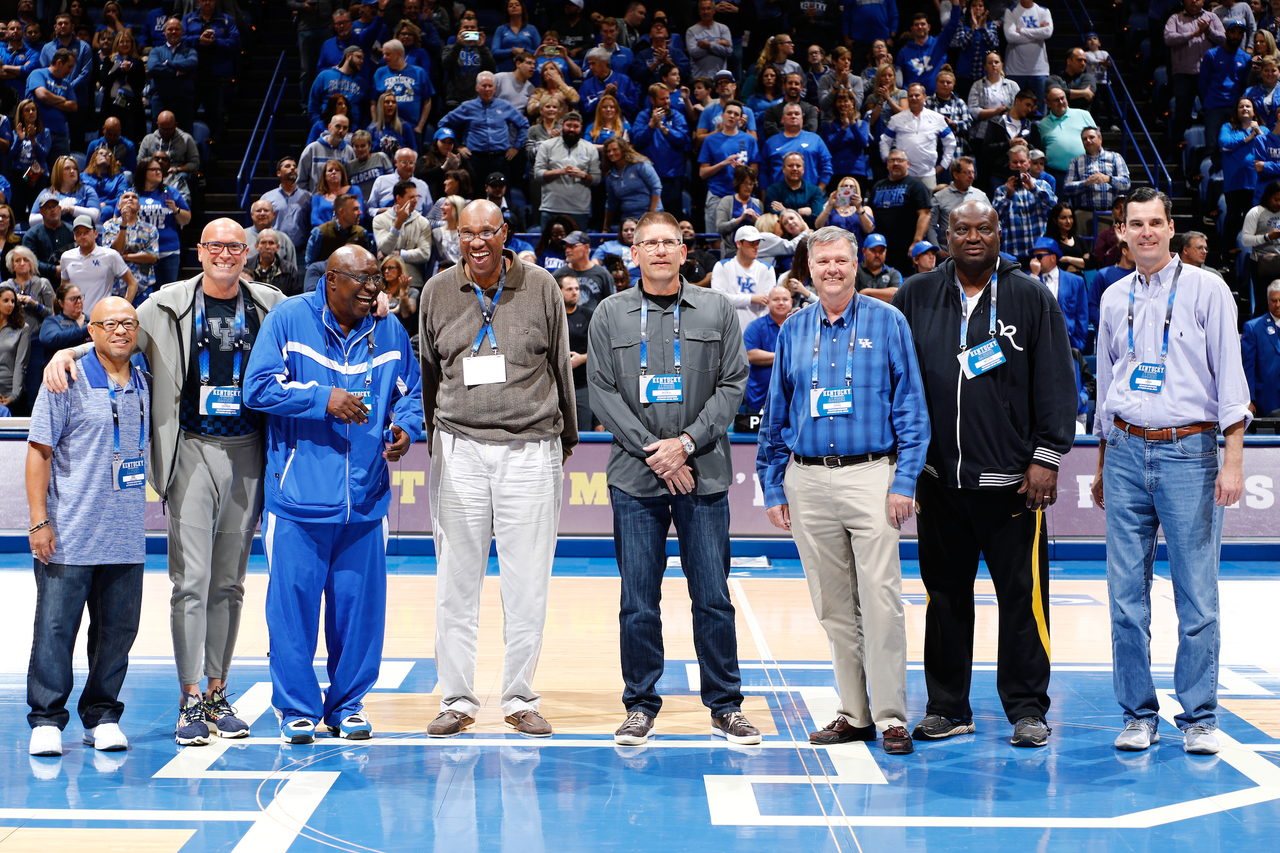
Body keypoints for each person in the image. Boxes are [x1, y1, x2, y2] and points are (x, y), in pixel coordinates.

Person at [42, 218, 288, 747]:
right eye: (215, 245)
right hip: (191, 452)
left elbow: (317, 321)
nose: (225, 253)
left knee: (230, 583)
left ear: (246, 253)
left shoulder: (270, 303)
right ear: (200, 251)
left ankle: (219, 694)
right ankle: (190, 698)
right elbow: (115, 332)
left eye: (234, 246)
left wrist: (380, 306)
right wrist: (70, 351)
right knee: (191, 581)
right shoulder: (166, 302)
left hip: (249, 452)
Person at [892, 199, 1077, 749]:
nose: (973, 237)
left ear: (1000, 234)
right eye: (962, 229)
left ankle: (1027, 708)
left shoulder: (1030, 296)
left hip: (1013, 485)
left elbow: (1056, 382)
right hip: (937, 481)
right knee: (944, 596)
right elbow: (900, 386)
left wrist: (1047, 457)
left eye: (984, 229)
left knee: (1024, 598)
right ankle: (948, 707)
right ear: (945, 235)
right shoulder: (916, 295)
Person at [586, 210, 757, 747]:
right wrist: (653, 451)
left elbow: (733, 384)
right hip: (636, 480)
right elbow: (602, 391)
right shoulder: (609, 314)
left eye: (669, 242)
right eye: (648, 243)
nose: (659, 251)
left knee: (712, 596)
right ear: (633, 253)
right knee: (638, 600)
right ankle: (640, 704)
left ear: (686, 251)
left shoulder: (716, 310)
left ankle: (725, 705)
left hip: (702, 476)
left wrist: (683, 445)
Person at [1091, 187, 1252, 755]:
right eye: (1136, 224)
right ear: (1123, 230)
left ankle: (1200, 717)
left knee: (1196, 595)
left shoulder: (1209, 289)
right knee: (1124, 597)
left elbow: (1231, 381)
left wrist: (1232, 461)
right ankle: (1138, 714)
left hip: (1191, 452)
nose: (1147, 233)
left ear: (1170, 228)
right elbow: (1107, 383)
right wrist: (1104, 461)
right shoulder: (1113, 297)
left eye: (1156, 223)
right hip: (1126, 451)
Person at [757, 224, 928, 755]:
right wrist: (773, 484)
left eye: (841, 261)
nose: (832, 269)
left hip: (872, 474)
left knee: (880, 600)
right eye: (822, 261)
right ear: (808, 267)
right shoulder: (793, 330)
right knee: (833, 605)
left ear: (857, 266)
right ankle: (855, 714)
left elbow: (911, 409)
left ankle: (892, 715)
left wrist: (904, 480)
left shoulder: (889, 321)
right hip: (806, 478)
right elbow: (777, 414)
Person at [243, 243, 422, 744]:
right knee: (291, 612)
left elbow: (411, 394)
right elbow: (256, 389)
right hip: (298, 500)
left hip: (365, 500)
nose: (373, 290)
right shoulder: (287, 320)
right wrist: (324, 399)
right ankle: (296, 708)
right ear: (332, 280)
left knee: (359, 613)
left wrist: (405, 429)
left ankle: (348, 705)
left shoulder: (388, 329)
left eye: (378, 281)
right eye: (363, 280)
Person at [418, 200, 576, 738]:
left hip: (531, 448)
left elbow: (560, 364)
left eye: (488, 232)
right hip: (457, 446)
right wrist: (434, 437)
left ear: (505, 233)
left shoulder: (541, 287)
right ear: (455, 235)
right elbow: (427, 373)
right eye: (467, 233)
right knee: (454, 582)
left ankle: (518, 699)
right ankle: (457, 700)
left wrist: (566, 439)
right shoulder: (437, 290)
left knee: (527, 582)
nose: (478, 242)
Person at [25, 295, 148, 757]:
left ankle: (102, 715)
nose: (120, 330)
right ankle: (46, 719)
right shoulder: (65, 379)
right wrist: (39, 521)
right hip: (70, 532)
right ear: (90, 330)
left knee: (118, 632)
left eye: (128, 323)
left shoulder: (144, 380)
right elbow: (38, 452)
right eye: (109, 323)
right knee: (56, 629)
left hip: (125, 536)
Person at [180, 0, 240, 141]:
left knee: (215, 117)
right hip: (193, 76)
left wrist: (216, 42)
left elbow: (236, 41)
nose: (207, 2)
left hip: (216, 77)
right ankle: (188, 148)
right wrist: (198, 40)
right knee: (188, 116)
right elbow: (180, 40)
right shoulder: (188, 19)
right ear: (198, 1)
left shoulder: (226, 19)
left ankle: (213, 151)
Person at [880, 83, 956, 191]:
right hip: (903, 174)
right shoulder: (896, 119)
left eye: (917, 95)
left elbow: (950, 142)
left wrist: (943, 165)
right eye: (910, 96)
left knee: (928, 206)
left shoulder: (937, 118)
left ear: (924, 97)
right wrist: (888, 160)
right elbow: (885, 141)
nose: (913, 98)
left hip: (928, 174)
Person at [698, 100, 759, 234]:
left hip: (742, 196)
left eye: (736, 114)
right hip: (717, 194)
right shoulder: (710, 140)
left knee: (745, 238)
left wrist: (744, 170)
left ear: (740, 118)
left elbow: (755, 171)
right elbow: (702, 173)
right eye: (729, 112)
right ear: (722, 115)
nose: (732, 116)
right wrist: (722, 164)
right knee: (715, 239)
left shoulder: (749, 140)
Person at [632, 82, 690, 221]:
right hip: (649, 176)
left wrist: (662, 128)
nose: (667, 102)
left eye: (668, 98)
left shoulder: (676, 116)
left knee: (671, 217)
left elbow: (683, 140)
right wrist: (652, 125)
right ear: (652, 100)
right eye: (662, 99)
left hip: (672, 174)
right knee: (652, 217)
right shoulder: (643, 117)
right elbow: (637, 140)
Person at [533, 110, 599, 230]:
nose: (572, 129)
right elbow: (537, 174)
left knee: (578, 247)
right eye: (568, 125)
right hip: (551, 208)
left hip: (579, 211)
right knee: (547, 246)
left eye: (576, 126)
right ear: (562, 125)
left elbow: (596, 179)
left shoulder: (590, 149)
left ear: (581, 128)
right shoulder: (547, 145)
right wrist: (560, 172)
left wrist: (582, 174)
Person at [869, 150, 932, 275]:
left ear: (908, 163)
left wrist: (916, 241)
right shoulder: (877, 186)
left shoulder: (916, 186)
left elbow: (924, 215)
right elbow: (869, 213)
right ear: (887, 164)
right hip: (881, 248)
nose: (896, 163)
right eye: (892, 161)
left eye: (900, 160)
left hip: (906, 249)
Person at [134, 155, 192, 286]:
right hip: (141, 253)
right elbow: (117, 218)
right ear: (143, 172)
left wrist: (175, 209)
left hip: (168, 251)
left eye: (159, 169)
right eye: (153, 169)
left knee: (168, 294)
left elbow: (186, 220)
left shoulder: (169, 192)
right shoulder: (133, 194)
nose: (158, 172)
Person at [1201, 19, 1254, 164]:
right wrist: (1207, 102)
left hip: (1234, 108)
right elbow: (1203, 82)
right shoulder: (1211, 55)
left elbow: (1244, 84)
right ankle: (1208, 181)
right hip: (1213, 107)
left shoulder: (1246, 58)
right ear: (1226, 33)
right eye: (1233, 32)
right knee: (1211, 146)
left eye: (1240, 33)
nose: (1236, 36)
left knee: (1235, 145)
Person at [994, 147, 1058, 262]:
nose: (1018, 165)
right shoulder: (1001, 190)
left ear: (1028, 163)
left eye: (1022, 161)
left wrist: (1033, 189)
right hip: (1013, 253)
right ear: (1010, 164)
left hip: (1038, 251)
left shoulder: (1042, 185)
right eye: (1015, 162)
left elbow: (1054, 206)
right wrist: (1009, 195)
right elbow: (996, 217)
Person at [711, 224, 777, 333]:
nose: (756, 247)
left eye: (757, 243)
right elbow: (719, 300)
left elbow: (767, 304)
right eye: (751, 243)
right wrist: (751, 299)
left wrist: (759, 330)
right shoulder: (722, 266)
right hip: (728, 328)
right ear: (738, 243)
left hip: (758, 330)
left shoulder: (767, 269)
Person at [99, 193, 157, 306]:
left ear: (139, 207)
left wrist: (123, 257)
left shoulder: (150, 228)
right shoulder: (109, 225)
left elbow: (152, 257)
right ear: (119, 207)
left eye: (134, 197)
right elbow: (113, 253)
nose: (130, 199)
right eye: (126, 197)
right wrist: (123, 224)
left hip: (143, 289)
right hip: (115, 290)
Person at [740, 285, 791, 414]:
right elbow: (750, 355)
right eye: (776, 299)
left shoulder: (799, 327)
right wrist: (786, 356)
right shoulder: (755, 326)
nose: (781, 303)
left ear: (791, 302)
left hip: (793, 399)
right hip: (759, 398)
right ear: (768, 302)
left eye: (785, 299)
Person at [762, 102, 832, 192]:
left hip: (809, 197)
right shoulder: (770, 142)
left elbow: (827, 167)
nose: (793, 116)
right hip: (778, 197)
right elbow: (763, 172)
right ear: (782, 119)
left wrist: (818, 192)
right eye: (789, 114)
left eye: (797, 114)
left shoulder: (815, 139)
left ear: (802, 119)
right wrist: (765, 198)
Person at [373, 180, 432, 284]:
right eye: (411, 197)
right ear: (398, 198)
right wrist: (397, 224)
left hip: (413, 282)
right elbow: (384, 248)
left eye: (416, 197)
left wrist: (397, 254)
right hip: (386, 283)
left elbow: (424, 254)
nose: (416, 200)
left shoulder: (423, 222)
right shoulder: (380, 220)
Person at [1038, 86, 1098, 190]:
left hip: (1084, 173)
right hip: (1056, 175)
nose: (1060, 102)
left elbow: (1097, 141)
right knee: (1061, 206)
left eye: (1062, 98)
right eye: (1056, 100)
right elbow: (1041, 149)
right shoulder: (1042, 124)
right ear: (1047, 103)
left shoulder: (1083, 115)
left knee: (1083, 206)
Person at [374, 38, 433, 139]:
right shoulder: (380, 73)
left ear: (399, 54)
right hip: (385, 130)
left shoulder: (419, 72)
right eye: (384, 54)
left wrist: (419, 127)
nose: (384, 57)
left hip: (412, 129)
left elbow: (427, 101)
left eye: (388, 54)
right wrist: (376, 124)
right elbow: (373, 101)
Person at [145, 17, 197, 131]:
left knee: (184, 138)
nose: (173, 32)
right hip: (161, 101)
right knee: (158, 138)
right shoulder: (156, 51)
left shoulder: (190, 51)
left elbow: (191, 64)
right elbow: (153, 67)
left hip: (183, 101)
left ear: (182, 32)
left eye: (177, 29)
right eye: (170, 29)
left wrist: (168, 63)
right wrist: (178, 72)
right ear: (164, 32)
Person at [1064, 127, 1131, 215]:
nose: (1088, 140)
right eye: (1085, 139)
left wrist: (1109, 179)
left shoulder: (1115, 157)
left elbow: (1126, 183)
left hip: (1108, 213)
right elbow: (1066, 189)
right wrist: (1085, 183)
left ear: (1100, 139)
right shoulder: (1075, 162)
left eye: (1091, 137)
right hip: (1083, 213)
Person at [559, 272, 595, 429]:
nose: (575, 292)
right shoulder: (552, 314)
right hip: (557, 387)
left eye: (577, 288)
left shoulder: (588, 315)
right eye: (569, 289)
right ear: (559, 291)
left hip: (583, 386)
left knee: (585, 435)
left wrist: (582, 358)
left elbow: (602, 348)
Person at [1003, 0, 1054, 110]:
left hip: (1039, 70)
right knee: (1014, 109)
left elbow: (1048, 32)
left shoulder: (1043, 11)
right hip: (1015, 70)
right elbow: (1010, 37)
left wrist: (1021, 30)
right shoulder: (1011, 11)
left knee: (1040, 111)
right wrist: (1037, 33)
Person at [895, 11, 961, 95]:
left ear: (929, 27)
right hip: (913, 99)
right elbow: (899, 80)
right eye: (916, 25)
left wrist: (955, 5)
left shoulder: (939, 43)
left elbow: (953, 23)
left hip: (937, 98)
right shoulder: (903, 52)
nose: (920, 27)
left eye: (923, 24)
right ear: (912, 29)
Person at [602, 137, 661, 229]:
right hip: (629, 220)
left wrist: (651, 214)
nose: (611, 153)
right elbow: (611, 203)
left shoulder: (640, 164)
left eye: (615, 149)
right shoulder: (610, 176)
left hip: (651, 215)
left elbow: (656, 187)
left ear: (623, 149)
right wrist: (605, 228)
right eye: (608, 151)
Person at [931, 157, 989, 246]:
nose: (972, 176)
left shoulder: (981, 196)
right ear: (956, 175)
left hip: (977, 249)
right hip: (949, 252)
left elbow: (993, 222)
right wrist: (938, 250)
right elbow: (930, 226)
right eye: (967, 173)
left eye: (973, 172)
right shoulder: (939, 197)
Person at [1242, 281, 1280, 415]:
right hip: (1266, 399)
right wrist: (1249, 400)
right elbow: (1248, 367)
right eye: (1274, 300)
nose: (1278, 305)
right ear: (1268, 301)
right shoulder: (1253, 328)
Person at [304, 193, 373, 267]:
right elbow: (310, 266)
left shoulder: (362, 232)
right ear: (342, 212)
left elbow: (367, 263)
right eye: (355, 209)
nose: (360, 212)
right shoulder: (320, 233)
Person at [262, 157, 313, 254]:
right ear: (278, 173)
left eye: (294, 166)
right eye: (288, 166)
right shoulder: (267, 197)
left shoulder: (307, 196)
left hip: (300, 252)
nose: (293, 168)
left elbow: (312, 224)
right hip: (275, 251)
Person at [553, 230, 613, 309]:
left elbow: (610, 306)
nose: (567, 250)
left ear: (586, 247)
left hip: (594, 321)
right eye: (566, 246)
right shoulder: (558, 275)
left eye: (572, 246)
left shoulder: (603, 274)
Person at [298, 113, 355, 194]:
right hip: (316, 202)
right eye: (338, 126)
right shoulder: (312, 149)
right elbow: (301, 181)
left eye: (345, 128)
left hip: (341, 202)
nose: (341, 130)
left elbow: (351, 180)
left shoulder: (350, 151)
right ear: (329, 127)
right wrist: (310, 200)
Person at [22, 196, 74, 285]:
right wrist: (54, 270)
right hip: (40, 283)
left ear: (60, 208)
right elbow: (29, 261)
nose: (52, 210)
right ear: (40, 212)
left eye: (54, 206)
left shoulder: (72, 231)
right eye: (47, 208)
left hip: (70, 280)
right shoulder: (31, 235)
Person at [763, 153, 825, 227]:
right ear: (783, 169)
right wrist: (800, 211)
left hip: (809, 233)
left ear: (803, 169)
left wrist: (784, 211)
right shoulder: (773, 190)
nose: (794, 169)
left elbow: (816, 218)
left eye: (798, 166)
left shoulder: (815, 191)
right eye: (790, 166)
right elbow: (772, 217)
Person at [368, 147, 431, 218]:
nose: (408, 166)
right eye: (404, 162)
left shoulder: (422, 186)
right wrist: (384, 211)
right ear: (395, 162)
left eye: (411, 163)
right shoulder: (381, 181)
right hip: (386, 224)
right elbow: (370, 209)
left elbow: (428, 215)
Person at [243, 228, 300, 296]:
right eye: (263, 243)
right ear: (257, 246)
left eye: (271, 243)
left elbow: (296, 297)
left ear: (277, 247)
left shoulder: (290, 270)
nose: (267, 247)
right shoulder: (245, 267)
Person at [0, 282, 29, 412]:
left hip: (12, 393)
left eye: (13, 301)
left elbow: (20, 364)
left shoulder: (22, 328)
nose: (10, 304)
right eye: (6, 300)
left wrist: (14, 396)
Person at [687, 0, 731, 79]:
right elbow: (694, 54)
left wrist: (708, 45)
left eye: (708, 8)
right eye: (703, 9)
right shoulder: (691, 31)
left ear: (714, 10)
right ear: (699, 11)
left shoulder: (723, 29)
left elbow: (728, 51)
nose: (706, 12)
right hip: (699, 79)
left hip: (719, 78)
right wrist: (718, 43)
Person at [1046, 47, 1097, 113]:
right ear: (1069, 61)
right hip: (1058, 119)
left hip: (1081, 118)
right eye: (1080, 60)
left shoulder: (1088, 77)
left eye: (1085, 61)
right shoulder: (1054, 78)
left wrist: (1062, 100)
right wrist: (1084, 93)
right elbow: (1054, 95)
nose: (1083, 63)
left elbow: (1083, 99)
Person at [855, 233, 903, 300]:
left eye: (881, 251)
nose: (877, 255)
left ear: (886, 252)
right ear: (864, 251)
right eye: (873, 250)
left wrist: (867, 291)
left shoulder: (893, 273)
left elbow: (898, 295)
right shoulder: (854, 271)